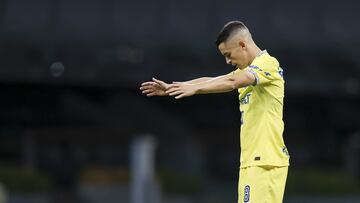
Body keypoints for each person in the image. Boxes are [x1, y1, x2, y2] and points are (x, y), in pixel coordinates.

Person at [140, 21, 290, 203]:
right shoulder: (247, 70)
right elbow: (215, 79)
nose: (227, 61)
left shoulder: (267, 63)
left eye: (228, 55)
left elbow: (232, 83)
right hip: (253, 161)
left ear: (242, 44)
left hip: (265, 161)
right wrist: (175, 87)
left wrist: (194, 90)